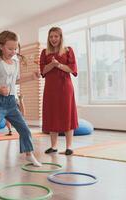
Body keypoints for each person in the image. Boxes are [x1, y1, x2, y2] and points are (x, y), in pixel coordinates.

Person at [0, 30, 42, 175]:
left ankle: (29, 155)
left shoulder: (15, 63)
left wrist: (32, 77)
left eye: (15, 48)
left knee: (24, 128)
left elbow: (15, 81)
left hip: (10, 102)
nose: (13, 51)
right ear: (2, 47)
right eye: (10, 48)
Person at [40, 27, 78, 155]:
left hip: (65, 88)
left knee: (67, 114)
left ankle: (69, 147)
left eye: (56, 36)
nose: (53, 39)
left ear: (61, 37)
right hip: (50, 89)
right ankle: (54, 146)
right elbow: (43, 71)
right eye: (51, 37)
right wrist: (52, 64)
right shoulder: (44, 52)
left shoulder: (68, 50)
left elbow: (72, 69)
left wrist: (59, 65)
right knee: (52, 115)